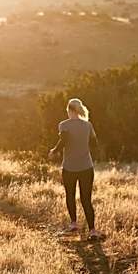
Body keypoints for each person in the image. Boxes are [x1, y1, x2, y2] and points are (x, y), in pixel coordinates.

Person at [48, 97, 101, 239]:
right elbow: (95, 144)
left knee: (70, 195)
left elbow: (64, 140)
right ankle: (92, 230)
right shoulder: (88, 125)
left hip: (69, 167)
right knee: (86, 200)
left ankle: (74, 224)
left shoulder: (63, 125)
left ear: (69, 110)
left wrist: (54, 151)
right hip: (86, 167)